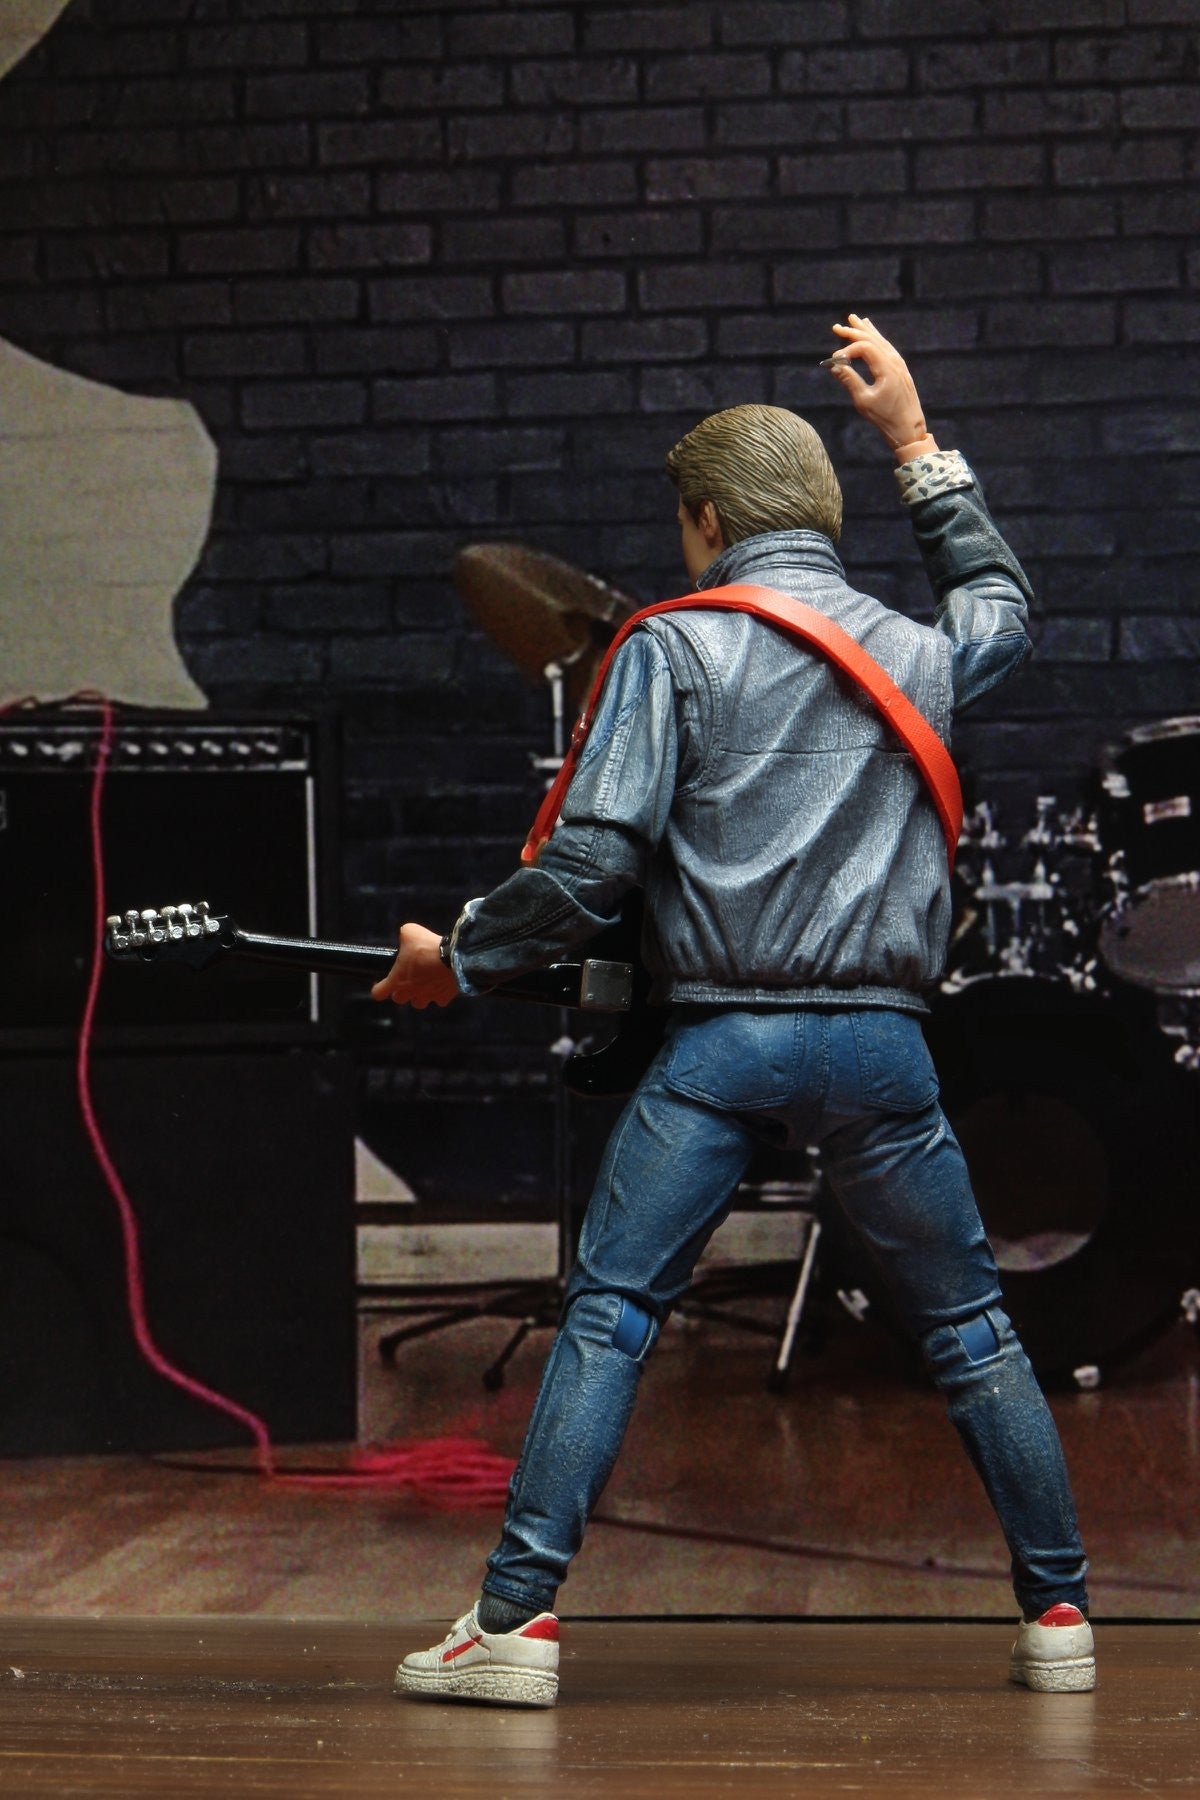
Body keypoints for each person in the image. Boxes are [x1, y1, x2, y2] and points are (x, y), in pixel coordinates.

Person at [372, 315, 1094, 1707]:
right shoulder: (916, 654)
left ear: (705, 522)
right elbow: (1003, 606)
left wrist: (455, 956)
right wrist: (913, 441)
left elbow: (586, 871)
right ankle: (1059, 1612)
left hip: (724, 1044)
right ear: (823, 517)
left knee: (611, 1317)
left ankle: (515, 1624)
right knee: (973, 1332)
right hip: (882, 1048)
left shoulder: (674, 651)